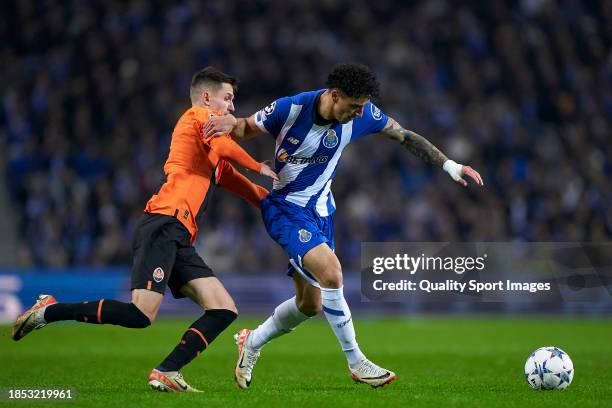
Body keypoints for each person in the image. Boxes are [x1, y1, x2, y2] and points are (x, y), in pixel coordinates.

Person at [205, 62, 484, 389]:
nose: (358, 114)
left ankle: (251, 342)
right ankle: (356, 361)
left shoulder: (364, 114)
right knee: (333, 273)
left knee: (310, 304)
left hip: (323, 212)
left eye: (362, 108)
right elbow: (244, 129)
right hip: (285, 208)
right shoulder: (291, 108)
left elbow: (404, 136)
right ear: (334, 96)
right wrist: (228, 122)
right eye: (353, 107)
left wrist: (450, 165)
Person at [12, 66, 278, 393]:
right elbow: (226, 151)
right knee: (141, 314)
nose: (232, 108)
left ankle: (168, 371)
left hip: (180, 235)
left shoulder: (208, 147)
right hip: (163, 223)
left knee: (223, 308)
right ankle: (49, 310)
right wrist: (259, 166)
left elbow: (235, 181)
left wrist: (275, 201)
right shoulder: (197, 116)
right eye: (228, 98)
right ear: (208, 97)